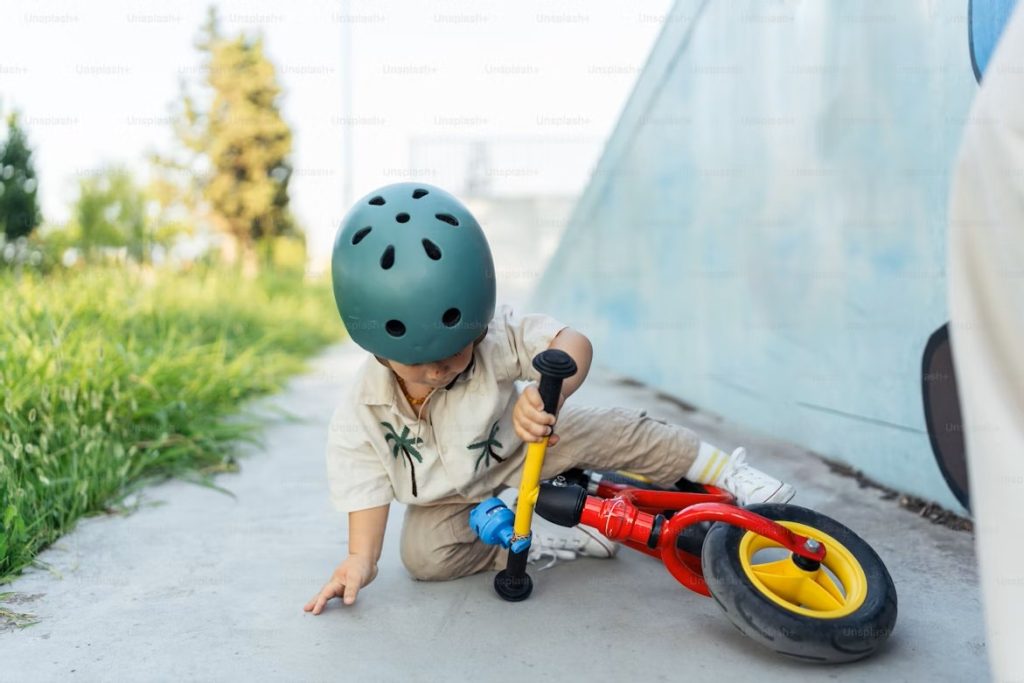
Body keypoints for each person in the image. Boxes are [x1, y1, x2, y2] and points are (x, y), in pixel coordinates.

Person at [304, 183, 794, 615]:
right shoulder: (360, 414)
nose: (438, 369)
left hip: (526, 450)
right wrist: (360, 560)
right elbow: (364, 490)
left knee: (612, 429)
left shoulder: (495, 337)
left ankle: (722, 470)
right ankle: (550, 530)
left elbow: (572, 343)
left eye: (455, 351)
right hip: (453, 499)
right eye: (418, 363)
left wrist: (543, 394)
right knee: (423, 559)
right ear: (376, 346)